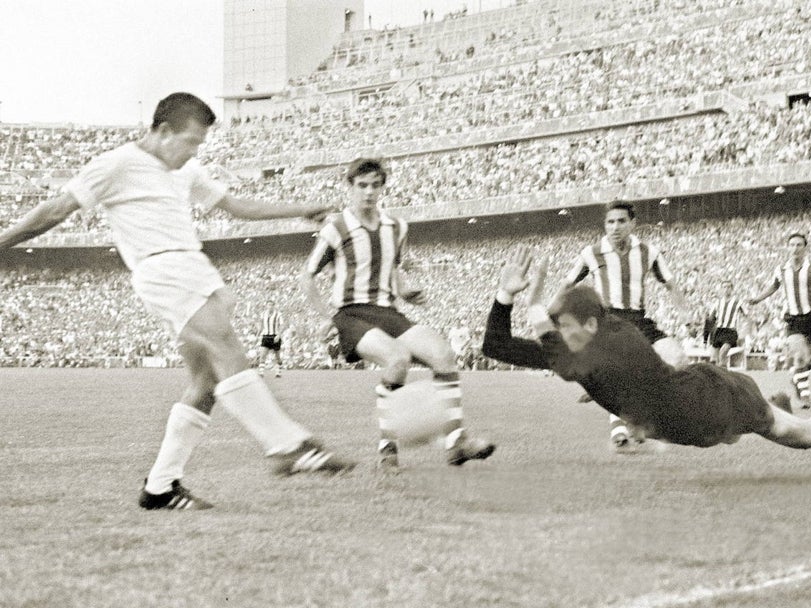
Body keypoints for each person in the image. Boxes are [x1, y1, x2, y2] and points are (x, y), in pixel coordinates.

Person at [0, 93, 355, 511]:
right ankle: (284, 444)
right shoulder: (115, 165)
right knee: (225, 344)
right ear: (163, 131)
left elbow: (235, 206)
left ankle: (161, 487)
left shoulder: (186, 168)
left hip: (193, 265)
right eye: (190, 141)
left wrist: (301, 208)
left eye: (199, 144)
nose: (193, 152)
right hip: (163, 268)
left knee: (205, 383)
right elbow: (56, 209)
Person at [482, 248, 811, 461]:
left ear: (593, 326)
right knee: (741, 434)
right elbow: (496, 346)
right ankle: (774, 404)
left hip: (710, 398)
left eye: (567, 328)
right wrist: (505, 295)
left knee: (801, 436)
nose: (559, 334)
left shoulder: (617, 342)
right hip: (686, 424)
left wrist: (536, 303)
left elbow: (560, 357)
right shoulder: (580, 350)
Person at [300, 157, 494, 470]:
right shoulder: (335, 229)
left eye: (375, 185)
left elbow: (395, 271)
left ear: (382, 187)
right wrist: (325, 317)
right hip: (350, 314)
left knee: (443, 354)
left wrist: (406, 291)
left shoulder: (397, 228)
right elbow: (307, 276)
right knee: (397, 359)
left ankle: (456, 442)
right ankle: (388, 446)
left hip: (388, 311)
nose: (369, 192)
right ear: (349, 187)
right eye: (362, 186)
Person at [563, 200, 691, 451]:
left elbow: (671, 284)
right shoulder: (591, 253)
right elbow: (566, 285)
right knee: (620, 372)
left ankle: (621, 405)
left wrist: (685, 312)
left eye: (622, 221)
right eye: (610, 222)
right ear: (605, 225)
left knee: (678, 360)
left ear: (633, 223)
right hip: (606, 321)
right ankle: (619, 429)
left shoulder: (649, 252)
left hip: (638, 320)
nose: (615, 227)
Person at [746, 232, 811, 409]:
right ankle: (805, 396)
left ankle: (797, 378)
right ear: (788, 247)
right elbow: (774, 286)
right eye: (792, 245)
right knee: (800, 357)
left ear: (805, 247)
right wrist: (758, 299)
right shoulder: (782, 269)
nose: (795, 248)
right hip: (793, 319)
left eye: (799, 245)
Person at [708, 280, 747, 368]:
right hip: (718, 331)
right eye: (724, 287)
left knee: (723, 353)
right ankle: (719, 375)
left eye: (728, 287)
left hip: (730, 331)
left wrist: (743, 330)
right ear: (721, 289)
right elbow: (711, 317)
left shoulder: (738, 302)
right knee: (714, 359)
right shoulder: (717, 302)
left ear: (732, 289)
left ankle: (723, 375)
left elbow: (746, 315)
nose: (726, 289)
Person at [257, 300, 285, 377]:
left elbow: (282, 325)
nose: (270, 306)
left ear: (274, 306)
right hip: (266, 336)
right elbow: (261, 324)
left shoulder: (278, 314)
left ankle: (278, 372)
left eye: (271, 305)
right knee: (263, 354)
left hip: (275, 336)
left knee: (277, 356)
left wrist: (279, 335)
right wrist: (258, 333)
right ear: (266, 306)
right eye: (268, 305)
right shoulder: (263, 314)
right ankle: (261, 373)